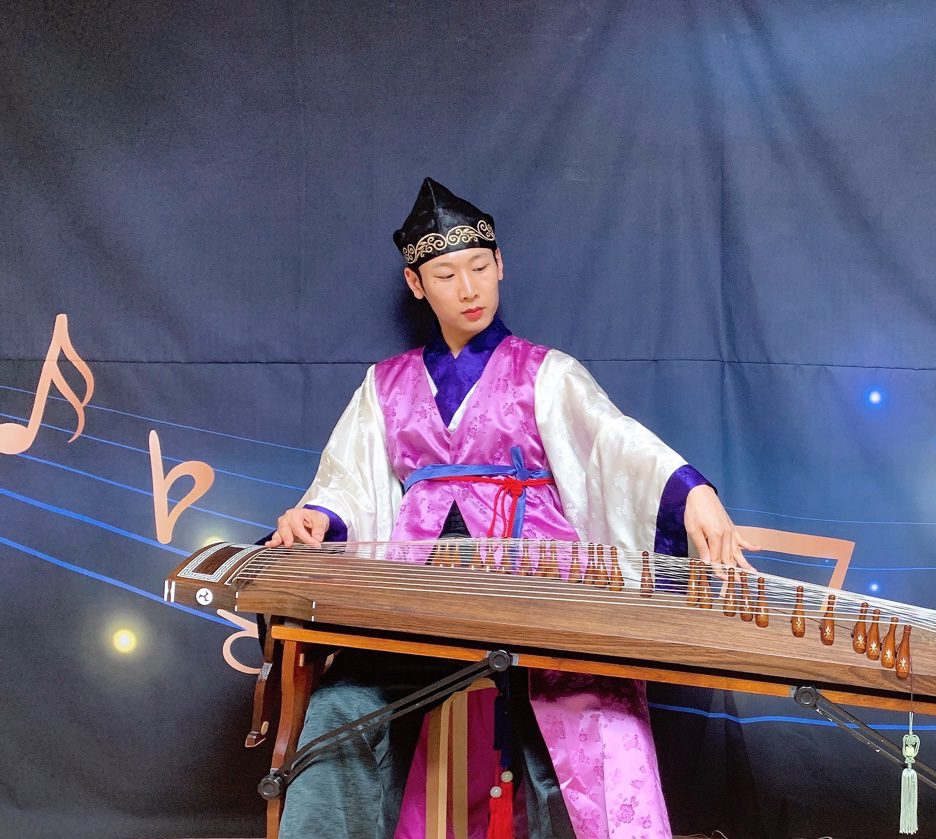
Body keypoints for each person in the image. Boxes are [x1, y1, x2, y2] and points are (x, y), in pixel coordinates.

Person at [266, 177, 755, 839]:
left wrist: (690, 489)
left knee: (593, 713)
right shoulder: (386, 384)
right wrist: (319, 516)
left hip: (540, 583)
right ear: (417, 285)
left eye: (478, 268)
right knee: (339, 711)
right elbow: (351, 481)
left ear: (500, 267)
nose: (467, 288)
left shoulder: (544, 371)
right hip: (421, 591)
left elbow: (612, 444)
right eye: (445, 274)